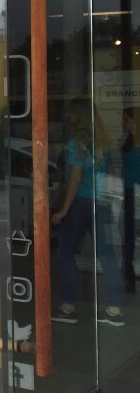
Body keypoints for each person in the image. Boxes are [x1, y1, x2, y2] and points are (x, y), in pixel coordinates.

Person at [51, 99, 124, 326]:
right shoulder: (104, 142)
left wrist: (62, 211)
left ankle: (68, 307)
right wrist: (109, 203)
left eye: (71, 113)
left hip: (81, 204)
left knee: (65, 252)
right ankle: (114, 309)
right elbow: (111, 174)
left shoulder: (77, 143)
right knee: (106, 254)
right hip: (99, 204)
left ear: (78, 116)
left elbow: (75, 178)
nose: (68, 116)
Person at [121, 107, 140, 293]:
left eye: (126, 119)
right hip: (128, 192)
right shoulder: (126, 140)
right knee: (128, 235)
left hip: (137, 192)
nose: (123, 123)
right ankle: (129, 274)